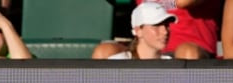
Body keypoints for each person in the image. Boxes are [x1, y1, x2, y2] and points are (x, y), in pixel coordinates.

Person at [92, 0, 222, 59]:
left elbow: (183, 2)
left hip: (190, 51)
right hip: (147, 47)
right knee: (104, 52)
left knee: (187, 52)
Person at [105, 2, 177, 59]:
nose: (165, 32)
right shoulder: (118, 63)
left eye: (167, 25)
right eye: (156, 25)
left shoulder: (173, 66)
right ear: (138, 31)